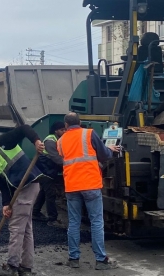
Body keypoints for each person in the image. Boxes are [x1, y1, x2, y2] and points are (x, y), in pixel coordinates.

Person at [0, 126, 44, 276]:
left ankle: (12, 266)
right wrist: (6, 204)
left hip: (29, 184)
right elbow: (3, 185)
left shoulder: (4, 142)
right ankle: (26, 267)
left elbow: (24, 129)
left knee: (16, 227)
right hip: (19, 189)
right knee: (25, 228)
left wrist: (36, 141)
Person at [57, 112, 120, 270]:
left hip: (72, 186)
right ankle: (100, 260)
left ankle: (73, 258)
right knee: (96, 222)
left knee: (74, 223)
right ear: (80, 122)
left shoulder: (61, 140)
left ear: (65, 125)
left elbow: (67, 156)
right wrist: (110, 149)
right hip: (90, 184)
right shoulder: (89, 133)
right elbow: (104, 155)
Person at [32, 121, 66, 227]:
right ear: (56, 131)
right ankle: (52, 219)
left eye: (65, 129)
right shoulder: (50, 141)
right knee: (50, 194)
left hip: (45, 170)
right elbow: (56, 158)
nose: (64, 131)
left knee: (43, 191)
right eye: (62, 130)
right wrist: (70, 164)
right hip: (46, 171)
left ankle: (35, 212)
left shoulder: (55, 139)